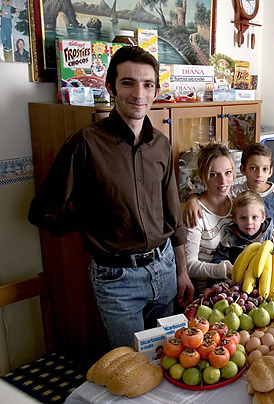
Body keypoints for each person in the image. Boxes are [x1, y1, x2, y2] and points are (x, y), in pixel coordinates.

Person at [28, 46, 194, 348]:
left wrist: (182, 271)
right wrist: (89, 217)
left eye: (147, 84)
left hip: (165, 269)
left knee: (171, 359)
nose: (139, 93)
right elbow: (42, 212)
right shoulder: (85, 144)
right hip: (117, 279)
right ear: (110, 87)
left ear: (156, 90)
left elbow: (173, 216)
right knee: (132, 368)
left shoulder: (160, 145)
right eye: (128, 82)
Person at [183, 143, 274, 243]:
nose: (259, 174)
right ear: (242, 170)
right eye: (253, 168)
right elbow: (210, 190)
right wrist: (192, 199)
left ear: (270, 171)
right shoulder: (234, 192)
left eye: (264, 169)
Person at [183, 143, 235, 294]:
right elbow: (188, 265)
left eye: (228, 173)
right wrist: (222, 270)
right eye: (214, 175)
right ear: (202, 176)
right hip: (205, 294)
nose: (223, 181)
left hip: (237, 290)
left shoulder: (238, 203)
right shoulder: (195, 213)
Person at [212, 190, 274, 264]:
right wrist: (227, 268)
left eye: (254, 217)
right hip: (241, 276)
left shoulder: (272, 234)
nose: (249, 222)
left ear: (262, 218)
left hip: (268, 273)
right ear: (235, 219)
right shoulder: (230, 239)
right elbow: (218, 259)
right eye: (243, 218)